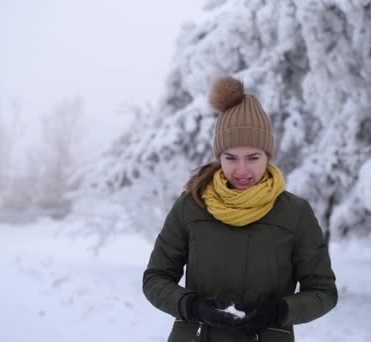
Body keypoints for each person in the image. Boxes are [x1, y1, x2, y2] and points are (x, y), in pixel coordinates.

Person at [143, 76, 337, 342]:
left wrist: (279, 311)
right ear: (218, 156)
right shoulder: (191, 206)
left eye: (253, 158)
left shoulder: (295, 213)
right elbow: (155, 278)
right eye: (230, 158)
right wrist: (191, 306)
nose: (242, 171)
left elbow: (323, 291)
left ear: (267, 156)